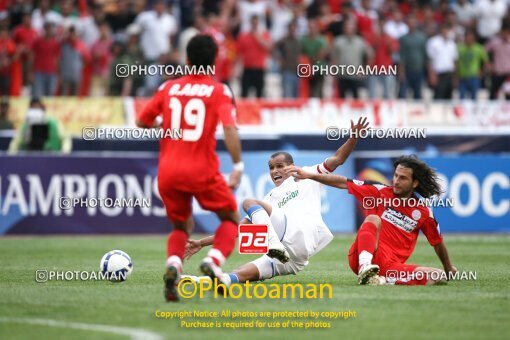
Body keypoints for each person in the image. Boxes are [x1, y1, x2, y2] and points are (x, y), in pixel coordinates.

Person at [183, 117, 369, 289]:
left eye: (280, 166)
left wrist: (353, 138)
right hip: (294, 257)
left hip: (300, 234)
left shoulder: (306, 174)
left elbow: (337, 160)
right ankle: (202, 281)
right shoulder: (270, 198)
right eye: (271, 168)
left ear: (292, 165)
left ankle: (274, 245)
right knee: (242, 274)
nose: (274, 171)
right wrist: (201, 242)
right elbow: (238, 230)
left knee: (249, 201)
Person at [136, 35, 246, 302]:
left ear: (187, 60)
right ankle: (214, 260)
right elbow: (230, 128)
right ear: (214, 61)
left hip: (168, 172)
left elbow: (141, 122)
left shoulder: (168, 88)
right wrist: (238, 165)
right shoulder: (219, 90)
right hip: (202, 170)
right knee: (230, 219)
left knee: (181, 225)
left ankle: (174, 264)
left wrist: (165, 128)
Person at [286, 155, 457, 286]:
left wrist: (448, 267)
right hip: (360, 257)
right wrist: (310, 175)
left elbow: (437, 242)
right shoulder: (379, 191)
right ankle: (365, 268)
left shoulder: (424, 212)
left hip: (390, 266)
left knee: (438, 276)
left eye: (402, 178)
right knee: (373, 218)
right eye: (396, 175)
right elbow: (343, 182)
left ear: (415, 183)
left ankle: (380, 280)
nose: (396, 181)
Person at [457, 30, 489, 100]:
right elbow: (456, 62)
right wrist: (456, 74)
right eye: (467, 38)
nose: (469, 40)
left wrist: (482, 73)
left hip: (474, 77)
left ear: (474, 39)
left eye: (470, 38)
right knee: (461, 97)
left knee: (474, 98)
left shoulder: (479, 48)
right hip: (463, 77)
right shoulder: (460, 48)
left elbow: (486, 62)